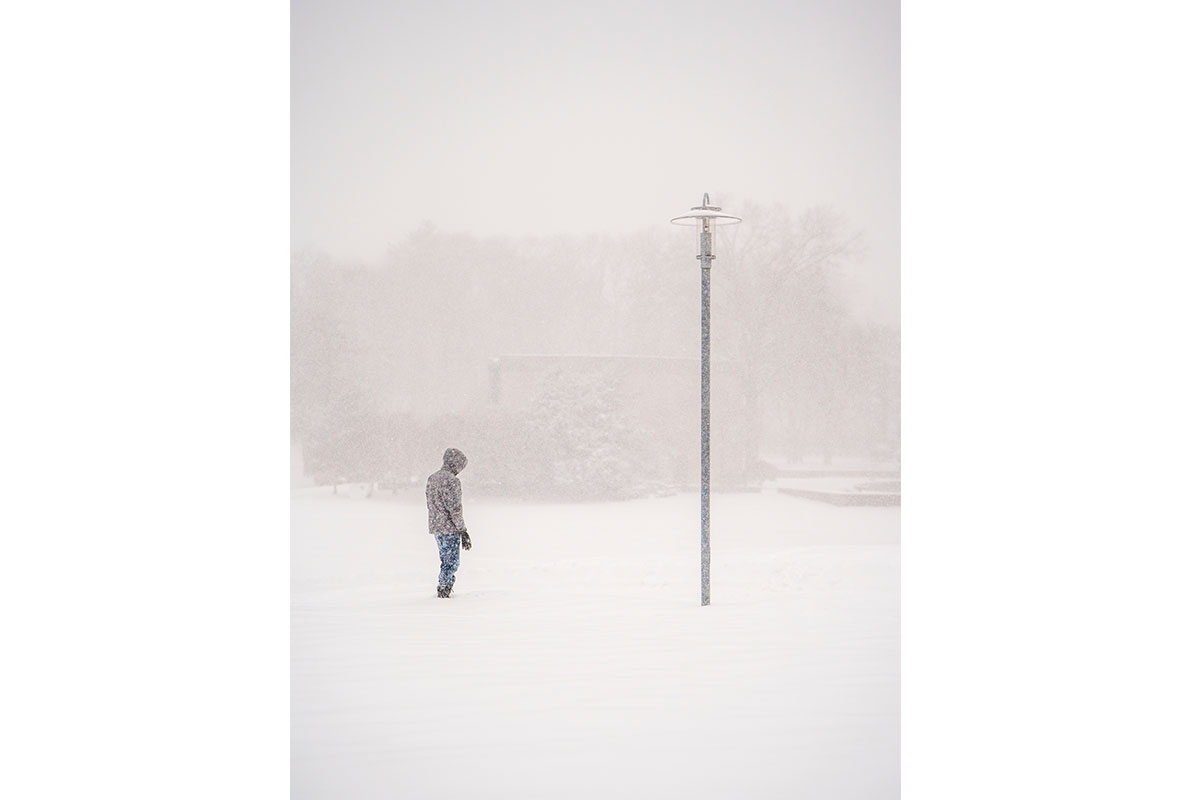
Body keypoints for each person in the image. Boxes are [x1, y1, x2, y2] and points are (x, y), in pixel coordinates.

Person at [426, 447, 472, 598]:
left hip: (436, 526)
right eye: (460, 466)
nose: (460, 470)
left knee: (445, 559)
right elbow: (455, 509)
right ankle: (444, 589)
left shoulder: (432, 479)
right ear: (454, 464)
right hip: (450, 528)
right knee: (451, 562)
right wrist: (463, 530)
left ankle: (443, 586)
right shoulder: (452, 481)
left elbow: (431, 504)